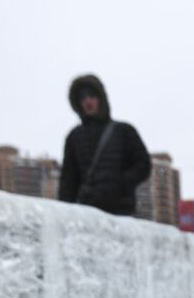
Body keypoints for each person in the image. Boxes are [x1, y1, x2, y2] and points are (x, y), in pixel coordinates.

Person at [59, 74, 151, 216]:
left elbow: (143, 165)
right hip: (87, 213)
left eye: (91, 96)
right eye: (82, 98)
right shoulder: (74, 138)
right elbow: (68, 182)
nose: (88, 101)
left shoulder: (124, 131)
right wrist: (65, 214)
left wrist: (120, 185)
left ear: (101, 98)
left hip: (121, 212)